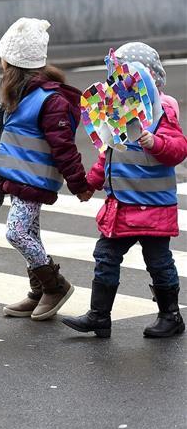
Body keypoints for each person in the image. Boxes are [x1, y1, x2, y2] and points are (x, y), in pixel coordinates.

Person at [62, 43, 187, 339]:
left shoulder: (162, 113)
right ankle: (99, 316)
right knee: (105, 255)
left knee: (158, 262)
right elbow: (109, 155)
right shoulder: (119, 114)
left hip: (153, 208)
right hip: (122, 207)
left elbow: (178, 149)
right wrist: (89, 184)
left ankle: (170, 315)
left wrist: (154, 142)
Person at [0, 18, 90, 321]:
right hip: (20, 178)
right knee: (31, 233)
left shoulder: (49, 100)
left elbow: (63, 147)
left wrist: (79, 183)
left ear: (12, 62)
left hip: (34, 181)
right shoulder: (21, 94)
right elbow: (17, 138)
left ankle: (55, 285)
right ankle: (38, 291)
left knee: (17, 232)